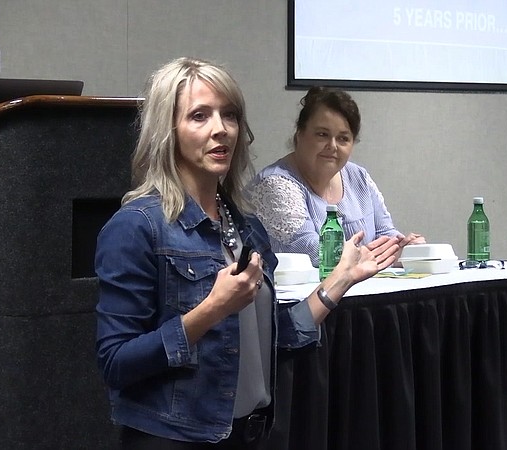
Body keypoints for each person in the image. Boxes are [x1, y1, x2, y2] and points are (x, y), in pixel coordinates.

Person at [95, 57, 401, 450]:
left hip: (249, 434)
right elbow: (116, 363)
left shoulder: (247, 228)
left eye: (230, 116)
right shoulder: (137, 226)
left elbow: (278, 339)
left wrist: (339, 280)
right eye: (200, 116)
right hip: (175, 437)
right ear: (166, 130)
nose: (220, 129)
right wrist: (211, 310)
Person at [247, 86, 425, 267]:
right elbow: (315, 254)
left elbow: (386, 234)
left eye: (343, 138)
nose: (332, 146)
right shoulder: (275, 184)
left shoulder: (359, 177)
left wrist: (407, 248)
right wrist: (381, 255)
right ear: (299, 135)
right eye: (322, 135)